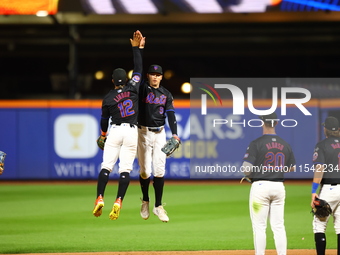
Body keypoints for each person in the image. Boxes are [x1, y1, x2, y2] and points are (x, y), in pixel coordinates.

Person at [92, 30, 145, 220]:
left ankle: (99, 198)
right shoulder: (133, 87)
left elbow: (104, 120)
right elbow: (138, 68)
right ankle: (119, 200)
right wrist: (136, 48)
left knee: (106, 167)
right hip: (131, 132)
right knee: (125, 170)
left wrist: (104, 134)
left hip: (114, 131)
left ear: (113, 81)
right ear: (127, 79)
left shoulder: (107, 98)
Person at [241, 112, 296, 255]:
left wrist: (252, 175)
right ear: (276, 123)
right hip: (279, 187)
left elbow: (246, 169)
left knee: (259, 227)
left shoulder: (256, 143)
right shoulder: (285, 144)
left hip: (260, 187)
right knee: (278, 226)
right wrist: (275, 169)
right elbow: (292, 167)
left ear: (262, 123)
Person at [137, 52, 180, 223]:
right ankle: (146, 200)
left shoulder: (166, 94)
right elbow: (137, 71)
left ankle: (158, 206)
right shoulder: (141, 89)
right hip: (143, 133)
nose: (155, 77)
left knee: (160, 170)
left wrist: (175, 133)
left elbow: (171, 115)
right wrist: (139, 50)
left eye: (158, 74)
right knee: (145, 171)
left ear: (161, 77)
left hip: (160, 133)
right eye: (152, 74)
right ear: (148, 76)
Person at [311, 116, 340, 255]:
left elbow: (319, 169)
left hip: (329, 189)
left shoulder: (322, 145)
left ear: (326, 129)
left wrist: (313, 191)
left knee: (319, 225)